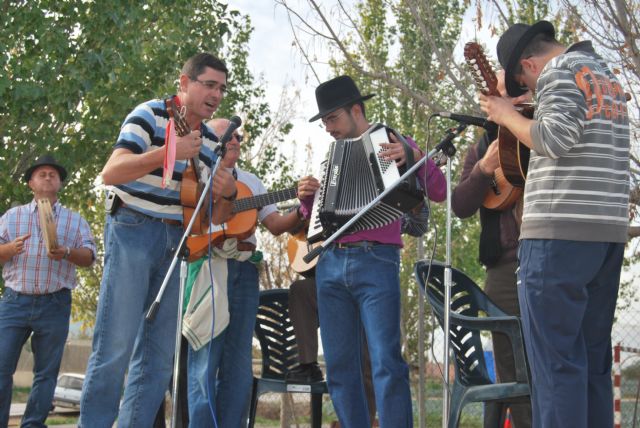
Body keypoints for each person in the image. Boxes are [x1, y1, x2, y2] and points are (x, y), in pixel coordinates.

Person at [479, 21, 630, 428]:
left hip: (557, 238)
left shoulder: (559, 72)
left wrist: (508, 114)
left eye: (523, 79)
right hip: (605, 236)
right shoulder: (606, 76)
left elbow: (554, 138)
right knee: (592, 364)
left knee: (555, 369)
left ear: (528, 64)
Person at [80, 53, 237, 427]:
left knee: (158, 358)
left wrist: (228, 193)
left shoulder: (213, 141)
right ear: (184, 83)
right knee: (114, 347)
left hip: (177, 242)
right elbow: (111, 172)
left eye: (221, 88)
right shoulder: (150, 114)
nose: (216, 94)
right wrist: (168, 152)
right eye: (209, 84)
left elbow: (214, 218)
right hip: (133, 229)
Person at [297, 75, 446, 427]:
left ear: (356, 109)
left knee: (386, 361)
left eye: (332, 119)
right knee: (338, 365)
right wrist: (306, 201)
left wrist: (414, 156)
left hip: (376, 261)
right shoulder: (331, 158)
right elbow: (318, 221)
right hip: (330, 263)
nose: (328, 128)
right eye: (325, 122)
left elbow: (438, 192)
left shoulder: (392, 142)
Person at [184, 117, 307, 426]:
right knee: (204, 359)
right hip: (208, 268)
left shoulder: (251, 181)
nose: (235, 139)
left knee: (239, 363)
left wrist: (303, 207)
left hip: (244, 271)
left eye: (238, 135)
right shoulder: (193, 175)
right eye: (227, 135)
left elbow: (276, 225)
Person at [451, 70, 532, 428]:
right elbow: (460, 205)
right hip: (503, 269)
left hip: (546, 258)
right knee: (511, 370)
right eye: (490, 94)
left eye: (501, 92)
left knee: (549, 364)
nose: (493, 100)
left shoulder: (541, 124)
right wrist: (484, 167)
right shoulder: (481, 147)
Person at [0, 155, 96, 427]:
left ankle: (33, 424)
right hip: (14, 302)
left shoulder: (74, 221)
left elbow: (90, 257)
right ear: (31, 183)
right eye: (41, 174)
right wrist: (9, 249)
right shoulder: (12, 217)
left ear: (60, 183)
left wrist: (66, 252)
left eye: (53, 174)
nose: (47, 177)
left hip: (55, 302)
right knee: (1, 368)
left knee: (46, 373)